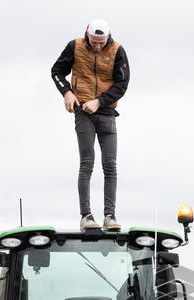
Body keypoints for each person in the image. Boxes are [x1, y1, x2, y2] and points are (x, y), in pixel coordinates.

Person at [51, 18, 130, 232]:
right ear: (87, 33)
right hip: (83, 111)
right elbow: (56, 71)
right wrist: (67, 91)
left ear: (107, 37)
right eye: (94, 41)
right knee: (87, 162)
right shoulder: (75, 46)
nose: (97, 45)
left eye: (101, 42)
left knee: (110, 165)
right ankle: (86, 216)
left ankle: (110, 216)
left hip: (107, 113)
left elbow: (122, 84)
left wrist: (100, 101)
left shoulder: (117, 50)